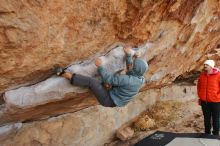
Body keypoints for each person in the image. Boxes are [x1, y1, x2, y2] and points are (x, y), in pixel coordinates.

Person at [55, 46, 148, 107]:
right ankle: (108, 87)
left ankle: (65, 74)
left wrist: (100, 67)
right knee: (107, 82)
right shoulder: (140, 78)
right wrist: (128, 56)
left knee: (92, 82)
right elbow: (130, 69)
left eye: (133, 64)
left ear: (135, 69)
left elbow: (109, 79)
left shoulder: (128, 80)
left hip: (109, 100)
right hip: (116, 97)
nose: (131, 64)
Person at [197, 59, 220, 135]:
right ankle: (207, 134)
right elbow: (199, 86)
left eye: (206, 65)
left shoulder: (218, 75)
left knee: (216, 119)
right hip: (205, 102)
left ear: (211, 66)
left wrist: (217, 96)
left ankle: (216, 134)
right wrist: (200, 96)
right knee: (206, 119)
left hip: (216, 102)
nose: (205, 66)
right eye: (204, 65)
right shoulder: (202, 75)